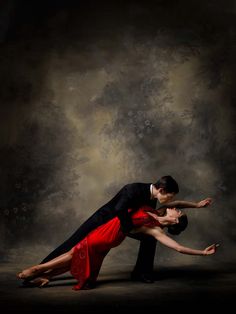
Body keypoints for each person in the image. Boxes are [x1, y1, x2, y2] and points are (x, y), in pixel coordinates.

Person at [28, 175, 212, 284]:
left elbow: (177, 205)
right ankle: (40, 271)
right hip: (105, 221)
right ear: (161, 190)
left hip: (124, 228)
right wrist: (134, 226)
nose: (171, 201)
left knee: (150, 238)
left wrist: (197, 205)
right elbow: (118, 210)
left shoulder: (156, 202)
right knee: (73, 245)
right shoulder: (132, 189)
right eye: (169, 196)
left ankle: (142, 272)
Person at [17, 205, 219, 290]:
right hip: (110, 230)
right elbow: (179, 201)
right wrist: (197, 205)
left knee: (75, 253)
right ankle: (47, 276)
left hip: (109, 235)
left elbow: (179, 248)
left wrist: (203, 252)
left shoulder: (156, 230)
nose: (176, 208)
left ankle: (37, 269)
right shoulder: (157, 211)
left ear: (174, 222)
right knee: (80, 257)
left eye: (179, 212)